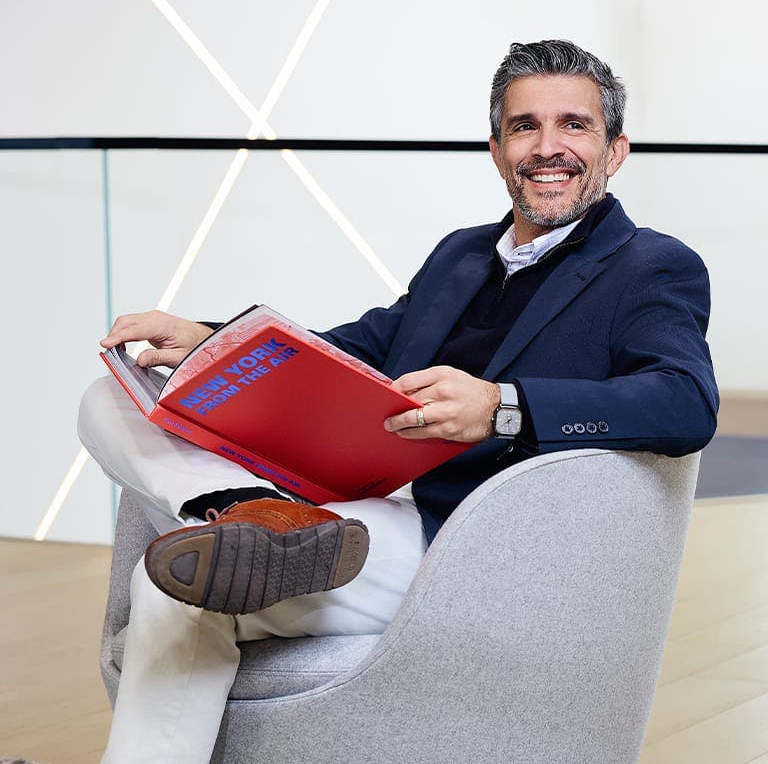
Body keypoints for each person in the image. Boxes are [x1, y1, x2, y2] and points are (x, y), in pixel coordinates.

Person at [78, 39, 718, 764]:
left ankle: (256, 523)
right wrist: (208, 336)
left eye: (574, 125)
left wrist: (502, 406)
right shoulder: (459, 254)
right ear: (496, 148)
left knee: (171, 587)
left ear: (615, 149)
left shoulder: (653, 266)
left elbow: (686, 402)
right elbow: (357, 346)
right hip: (369, 516)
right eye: (524, 127)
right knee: (112, 400)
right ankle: (247, 510)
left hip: (473, 550)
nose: (549, 148)